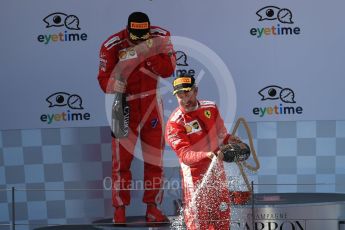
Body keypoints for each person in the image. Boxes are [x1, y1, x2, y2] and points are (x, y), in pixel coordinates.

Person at [97, 12, 176, 223]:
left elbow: (168, 70)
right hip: (123, 104)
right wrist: (114, 85)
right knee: (120, 163)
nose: (139, 39)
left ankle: (153, 208)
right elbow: (103, 78)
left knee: (155, 160)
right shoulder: (112, 44)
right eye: (135, 36)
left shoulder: (161, 36)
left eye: (143, 35)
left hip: (151, 103)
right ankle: (119, 210)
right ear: (127, 30)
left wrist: (148, 51)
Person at [165, 75, 249, 229]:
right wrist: (206, 154)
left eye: (188, 93)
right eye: (180, 96)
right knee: (199, 225)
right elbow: (184, 155)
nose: (184, 99)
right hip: (195, 179)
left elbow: (220, 135)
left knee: (222, 220)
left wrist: (229, 139)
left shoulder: (210, 107)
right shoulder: (174, 123)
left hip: (217, 174)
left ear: (196, 91)